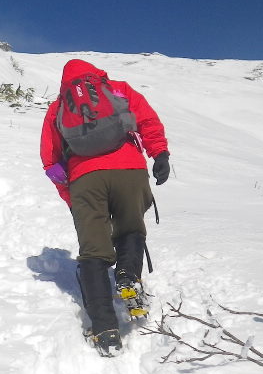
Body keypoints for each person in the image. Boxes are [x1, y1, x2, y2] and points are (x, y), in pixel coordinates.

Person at [39, 58, 170, 356]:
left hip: (85, 179)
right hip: (129, 169)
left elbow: (51, 161)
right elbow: (148, 121)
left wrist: (72, 198)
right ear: (95, 75)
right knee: (130, 229)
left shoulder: (58, 107)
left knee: (94, 252)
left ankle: (105, 331)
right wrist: (159, 154)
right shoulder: (118, 89)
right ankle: (127, 275)